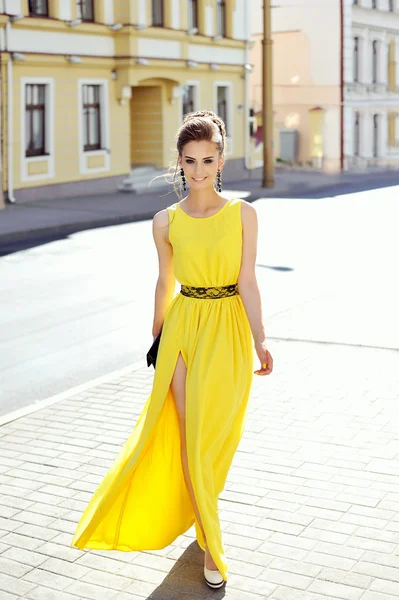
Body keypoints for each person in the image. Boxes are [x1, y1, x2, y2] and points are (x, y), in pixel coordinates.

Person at [72, 110, 273, 590]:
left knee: (213, 439)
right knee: (189, 437)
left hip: (227, 328)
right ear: (179, 163)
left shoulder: (244, 214)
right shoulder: (165, 221)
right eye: (190, 161)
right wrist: (156, 337)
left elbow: (247, 280)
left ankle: (202, 511)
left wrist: (260, 336)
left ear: (221, 159)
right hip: (182, 329)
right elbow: (165, 282)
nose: (199, 170)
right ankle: (210, 540)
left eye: (208, 159)